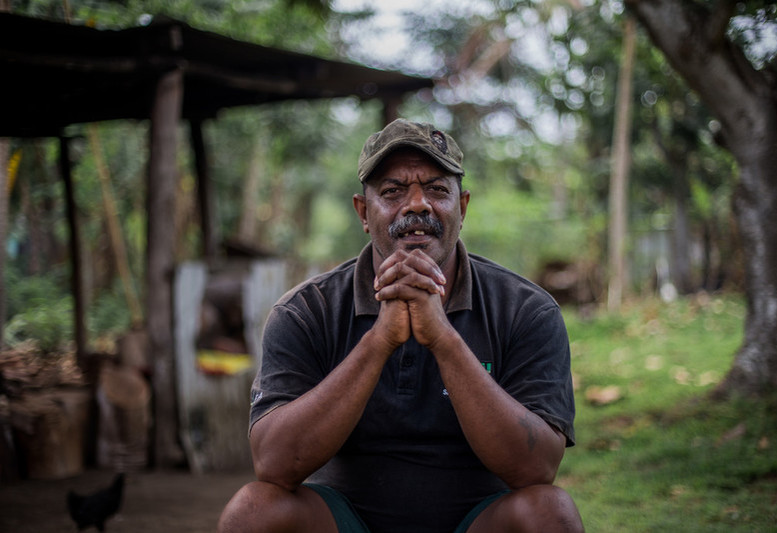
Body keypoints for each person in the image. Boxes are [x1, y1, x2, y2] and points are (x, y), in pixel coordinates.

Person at [218, 119, 583, 533]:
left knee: (550, 513)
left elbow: (537, 469)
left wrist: (443, 338)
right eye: (392, 192)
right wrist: (380, 340)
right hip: (344, 522)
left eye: (436, 189)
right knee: (252, 511)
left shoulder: (526, 310)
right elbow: (273, 464)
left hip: (478, 522)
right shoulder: (306, 311)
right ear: (363, 212)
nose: (417, 205)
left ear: (461, 208)